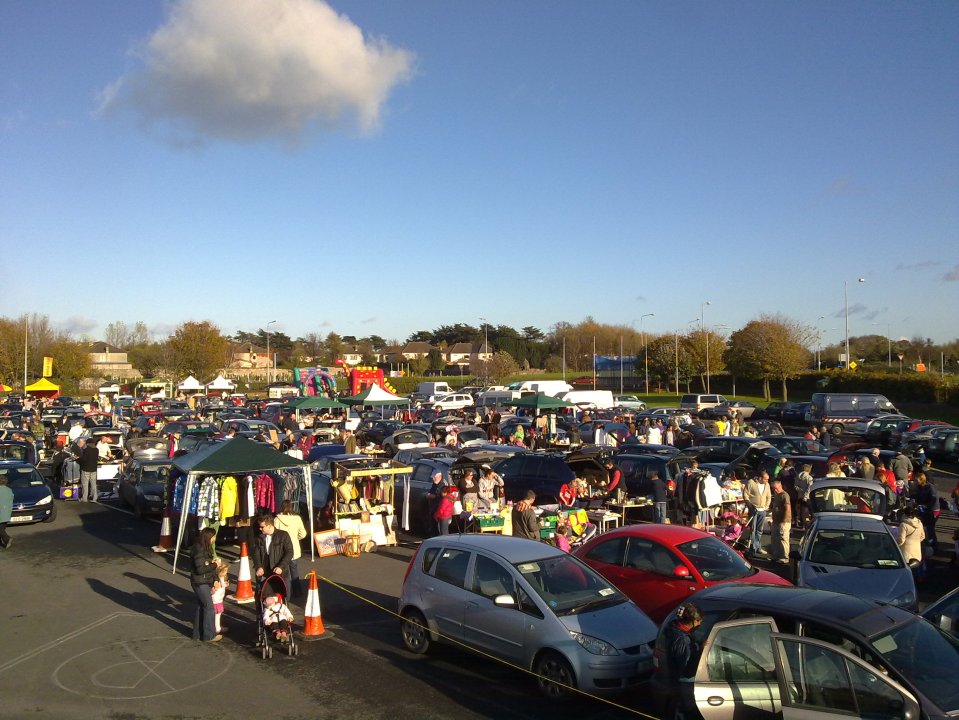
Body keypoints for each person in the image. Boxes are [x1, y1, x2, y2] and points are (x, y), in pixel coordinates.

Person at [663, 603, 704, 718]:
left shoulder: (674, 630)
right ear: (694, 621)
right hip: (685, 686)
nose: (700, 624)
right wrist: (701, 651)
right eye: (700, 621)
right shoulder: (682, 641)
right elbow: (687, 670)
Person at [189, 527, 221, 642]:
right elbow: (200, 569)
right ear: (209, 537)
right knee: (209, 607)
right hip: (200, 582)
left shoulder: (204, 548)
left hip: (203, 581)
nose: (215, 539)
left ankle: (197, 634)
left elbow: (207, 566)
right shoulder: (199, 549)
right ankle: (209, 635)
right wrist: (215, 565)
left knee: (201, 606)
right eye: (214, 537)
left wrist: (215, 579)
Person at [273, 500, 307, 601]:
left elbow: (275, 535)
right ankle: (298, 592)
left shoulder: (277, 519)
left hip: (282, 549)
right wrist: (296, 538)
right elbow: (303, 533)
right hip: (294, 548)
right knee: (294, 570)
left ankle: (287, 594)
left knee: (285, 573)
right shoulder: (297, 519)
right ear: (291, 507)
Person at [252, 513, 294, 584]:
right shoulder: (259, 537)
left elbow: (289, 552)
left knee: (282, 594)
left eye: (262, 527)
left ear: (269, 526)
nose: (260, 529)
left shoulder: (283, 535)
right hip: (264, 572)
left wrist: (281, 566)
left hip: (280, 572)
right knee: (263, 594)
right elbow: (256, 554)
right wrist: (259, 566)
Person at [744, 470, 771, 557]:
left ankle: (758, 547)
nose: (767, 481)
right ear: (760, 478)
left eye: (767, 480)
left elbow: (769, 496)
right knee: (753, 529)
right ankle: (752, 548)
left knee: (759, 530)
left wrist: (766, 506)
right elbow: (745, 494)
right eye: (765, 479)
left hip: (762, 510)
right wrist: (749, 505)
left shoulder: (767, 485)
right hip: (753, 509)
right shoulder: (751, 482)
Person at [911, 473, 938, 554]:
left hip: (933, 510)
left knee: (930, 528)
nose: (915, 481)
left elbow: (934, 499)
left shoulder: (930, 487)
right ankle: (925, 544)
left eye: (917, 480)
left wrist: (926, 506)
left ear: (922, 480)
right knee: (923, 526)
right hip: (924, 509)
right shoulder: (919, 487)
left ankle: (934, 546)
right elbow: (917, 496)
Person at [768, 479, 791, 563]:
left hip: (783, 521)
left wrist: (784, 521)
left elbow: (787, 508)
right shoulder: (776, 495)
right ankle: (775, 555)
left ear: (780, 485)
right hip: (775, 521)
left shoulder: (784, 495)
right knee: (774, 538)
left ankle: (785, 557)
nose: (774, 490)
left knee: (783, 538)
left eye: (776, 488)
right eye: (773, 488)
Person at [76, 438, 100, 503]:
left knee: (85, 484)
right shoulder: (96, 450)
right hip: (94, 469)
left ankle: (84, 498)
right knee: (93, 484)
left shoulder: (86, 450)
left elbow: (84, 459)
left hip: (86, 469)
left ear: (88, 443)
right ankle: (95, 498)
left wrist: (78, 459)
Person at [211, 561, 230, 634]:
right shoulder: (218, 579)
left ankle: (217, 626)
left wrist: (225, 584)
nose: (226, 573)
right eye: (225, 571)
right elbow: (216, 588)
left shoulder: (221, 578)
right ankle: (217, 628)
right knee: (217, 615)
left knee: (217, 614)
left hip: (218, 599)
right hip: (216, 600)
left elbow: (223, 584)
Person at [794, 463, 814, 530]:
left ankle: (803, 524)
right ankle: (808, 525)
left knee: (802, 511)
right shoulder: (809, 478)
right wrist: (805, 495)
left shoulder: (798, 476)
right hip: (807, 497)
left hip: (800, 496)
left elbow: (795, 486)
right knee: (810, 511)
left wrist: (801, 490)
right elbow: (809, 488)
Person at [0, 475, 13, 550]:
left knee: (0, 529)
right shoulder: (9, 490)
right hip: (7, 513)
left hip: (1, 512)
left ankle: (7, 539)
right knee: (2, 528)